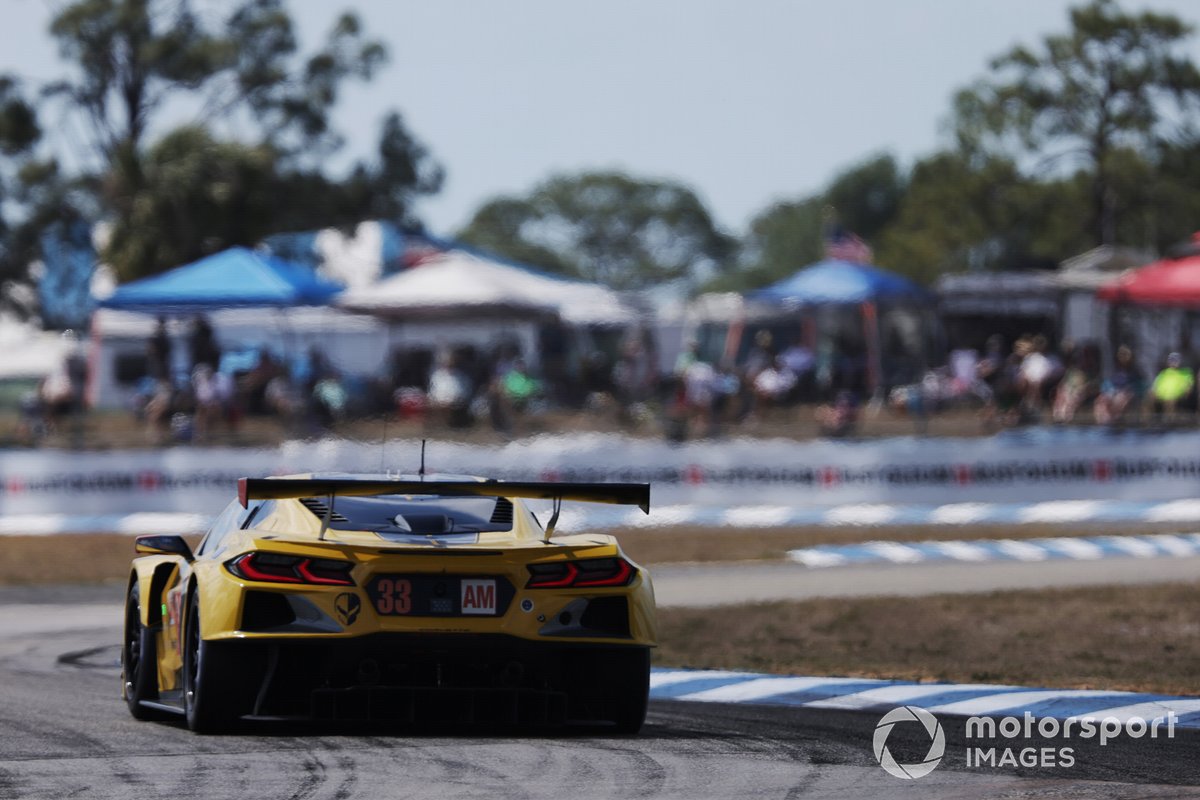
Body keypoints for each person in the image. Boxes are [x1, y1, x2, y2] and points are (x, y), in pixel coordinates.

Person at [1094, 345, 1145, 426]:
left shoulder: (1135, 371)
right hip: (1113, 392)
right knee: (1101, 401)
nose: (1123, 357)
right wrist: (1108, 392)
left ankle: (1116, 421)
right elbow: (1107, 383)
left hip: (1128, 394)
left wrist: (1129, 391)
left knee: (1120, 399)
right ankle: (1103, 424)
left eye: (1125, 355)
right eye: (1121, 355)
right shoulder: (1115, 370)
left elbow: (1140, 386)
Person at [1149, 352, 1194, 422]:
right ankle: (1148, 423)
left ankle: (1169, 422)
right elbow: (1155, 386)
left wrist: (1186, 390)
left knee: (1171, 400)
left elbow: (1188, 386)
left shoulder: (1185, 372)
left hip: (1177, 395)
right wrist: (1154, 392)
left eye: (1176, 360)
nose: (1174, 363)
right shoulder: (1163, 373)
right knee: (1149, 397)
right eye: (1172, 360)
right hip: (1163, 395)